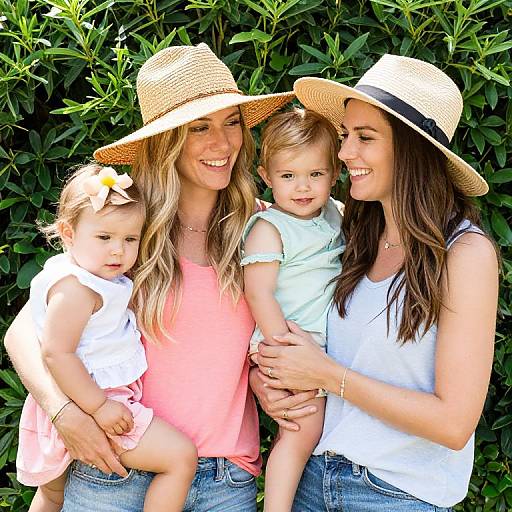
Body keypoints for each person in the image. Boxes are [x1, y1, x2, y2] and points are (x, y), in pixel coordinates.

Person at [5, 42, 294, 512]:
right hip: (117, 469)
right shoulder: (123, 229)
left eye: (232, 122)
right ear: (166, 140)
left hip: (227, 478)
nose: (222, 143)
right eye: (200, 127)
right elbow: (26, 330)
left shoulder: (266, 230)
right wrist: (65, 412)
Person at [252, 54, 499, 511]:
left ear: (411, 148)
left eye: (364, 138)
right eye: (346, 136)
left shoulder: (464, 255)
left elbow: (454, 423)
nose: (345, 154)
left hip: (395, 495)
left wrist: (328, 376)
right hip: (311, 482)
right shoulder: (347, 233)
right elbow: (295, 321)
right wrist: (265, 379)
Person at [17, 163, 198, 512]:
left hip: (82, 400)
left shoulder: (87, 276)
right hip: (94, 401)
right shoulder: (76, 290)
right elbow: (56, 353)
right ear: (69, 233)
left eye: (130, 239)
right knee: (180, 457)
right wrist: (99, 407)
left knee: (53, 494)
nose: (118, 250)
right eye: (104, 238)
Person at [241, 108, 343, 511]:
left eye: (315, 175)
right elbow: (258, 294)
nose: (302, 187)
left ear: (335, 175)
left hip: (314, 346)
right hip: (285, 341)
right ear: (266, 177)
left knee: (312, 427)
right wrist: (285, 351)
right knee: (302, 431)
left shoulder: (334, 212)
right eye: (288, 176)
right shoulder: (270, 228)